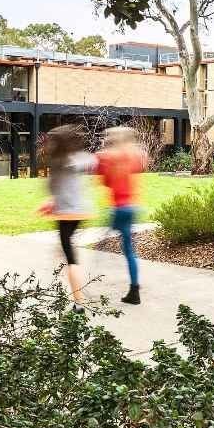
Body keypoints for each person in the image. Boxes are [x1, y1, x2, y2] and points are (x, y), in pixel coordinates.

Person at [38, 124, 94, 312]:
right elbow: (93, 162)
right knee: (65, 249)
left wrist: (51, 201)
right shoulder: (81, 159)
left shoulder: (57, 163)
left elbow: (52, 189)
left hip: (67, 213)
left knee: (70, 257)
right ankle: (72, 277)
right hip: (81, 211)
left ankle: (79, 303)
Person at [95, 125, 149, 304]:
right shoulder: (134, 155)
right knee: (129, 249)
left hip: (118, 207)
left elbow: (105, 182)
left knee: (104, 243)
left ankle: (91, 278)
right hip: (132, 207)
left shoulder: (108, 157)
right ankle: (134, 290)